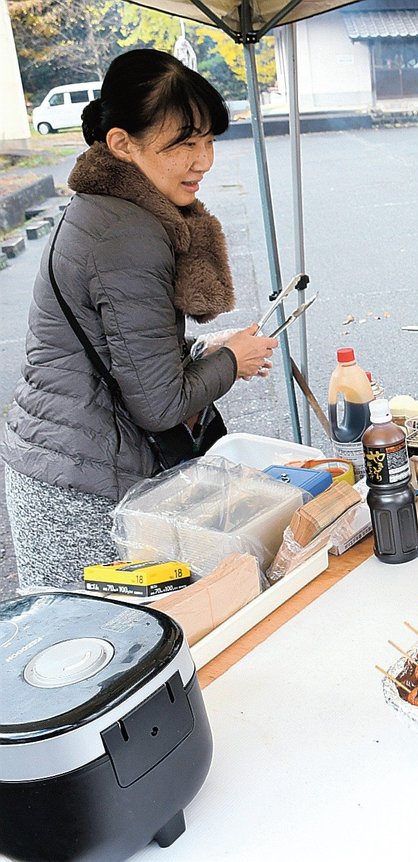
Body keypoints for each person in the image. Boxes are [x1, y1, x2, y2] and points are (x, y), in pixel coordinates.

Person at [2, 49, 278, 593]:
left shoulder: (105, 207)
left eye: (208, 141)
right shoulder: (126, 235)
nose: (204, 161)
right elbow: (159, 405)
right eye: (184, 143)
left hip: (61, 461)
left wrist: (199, 349)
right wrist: (230, 361)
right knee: (121, 648)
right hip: (84, 490)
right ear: (122, 143)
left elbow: (117, 344)